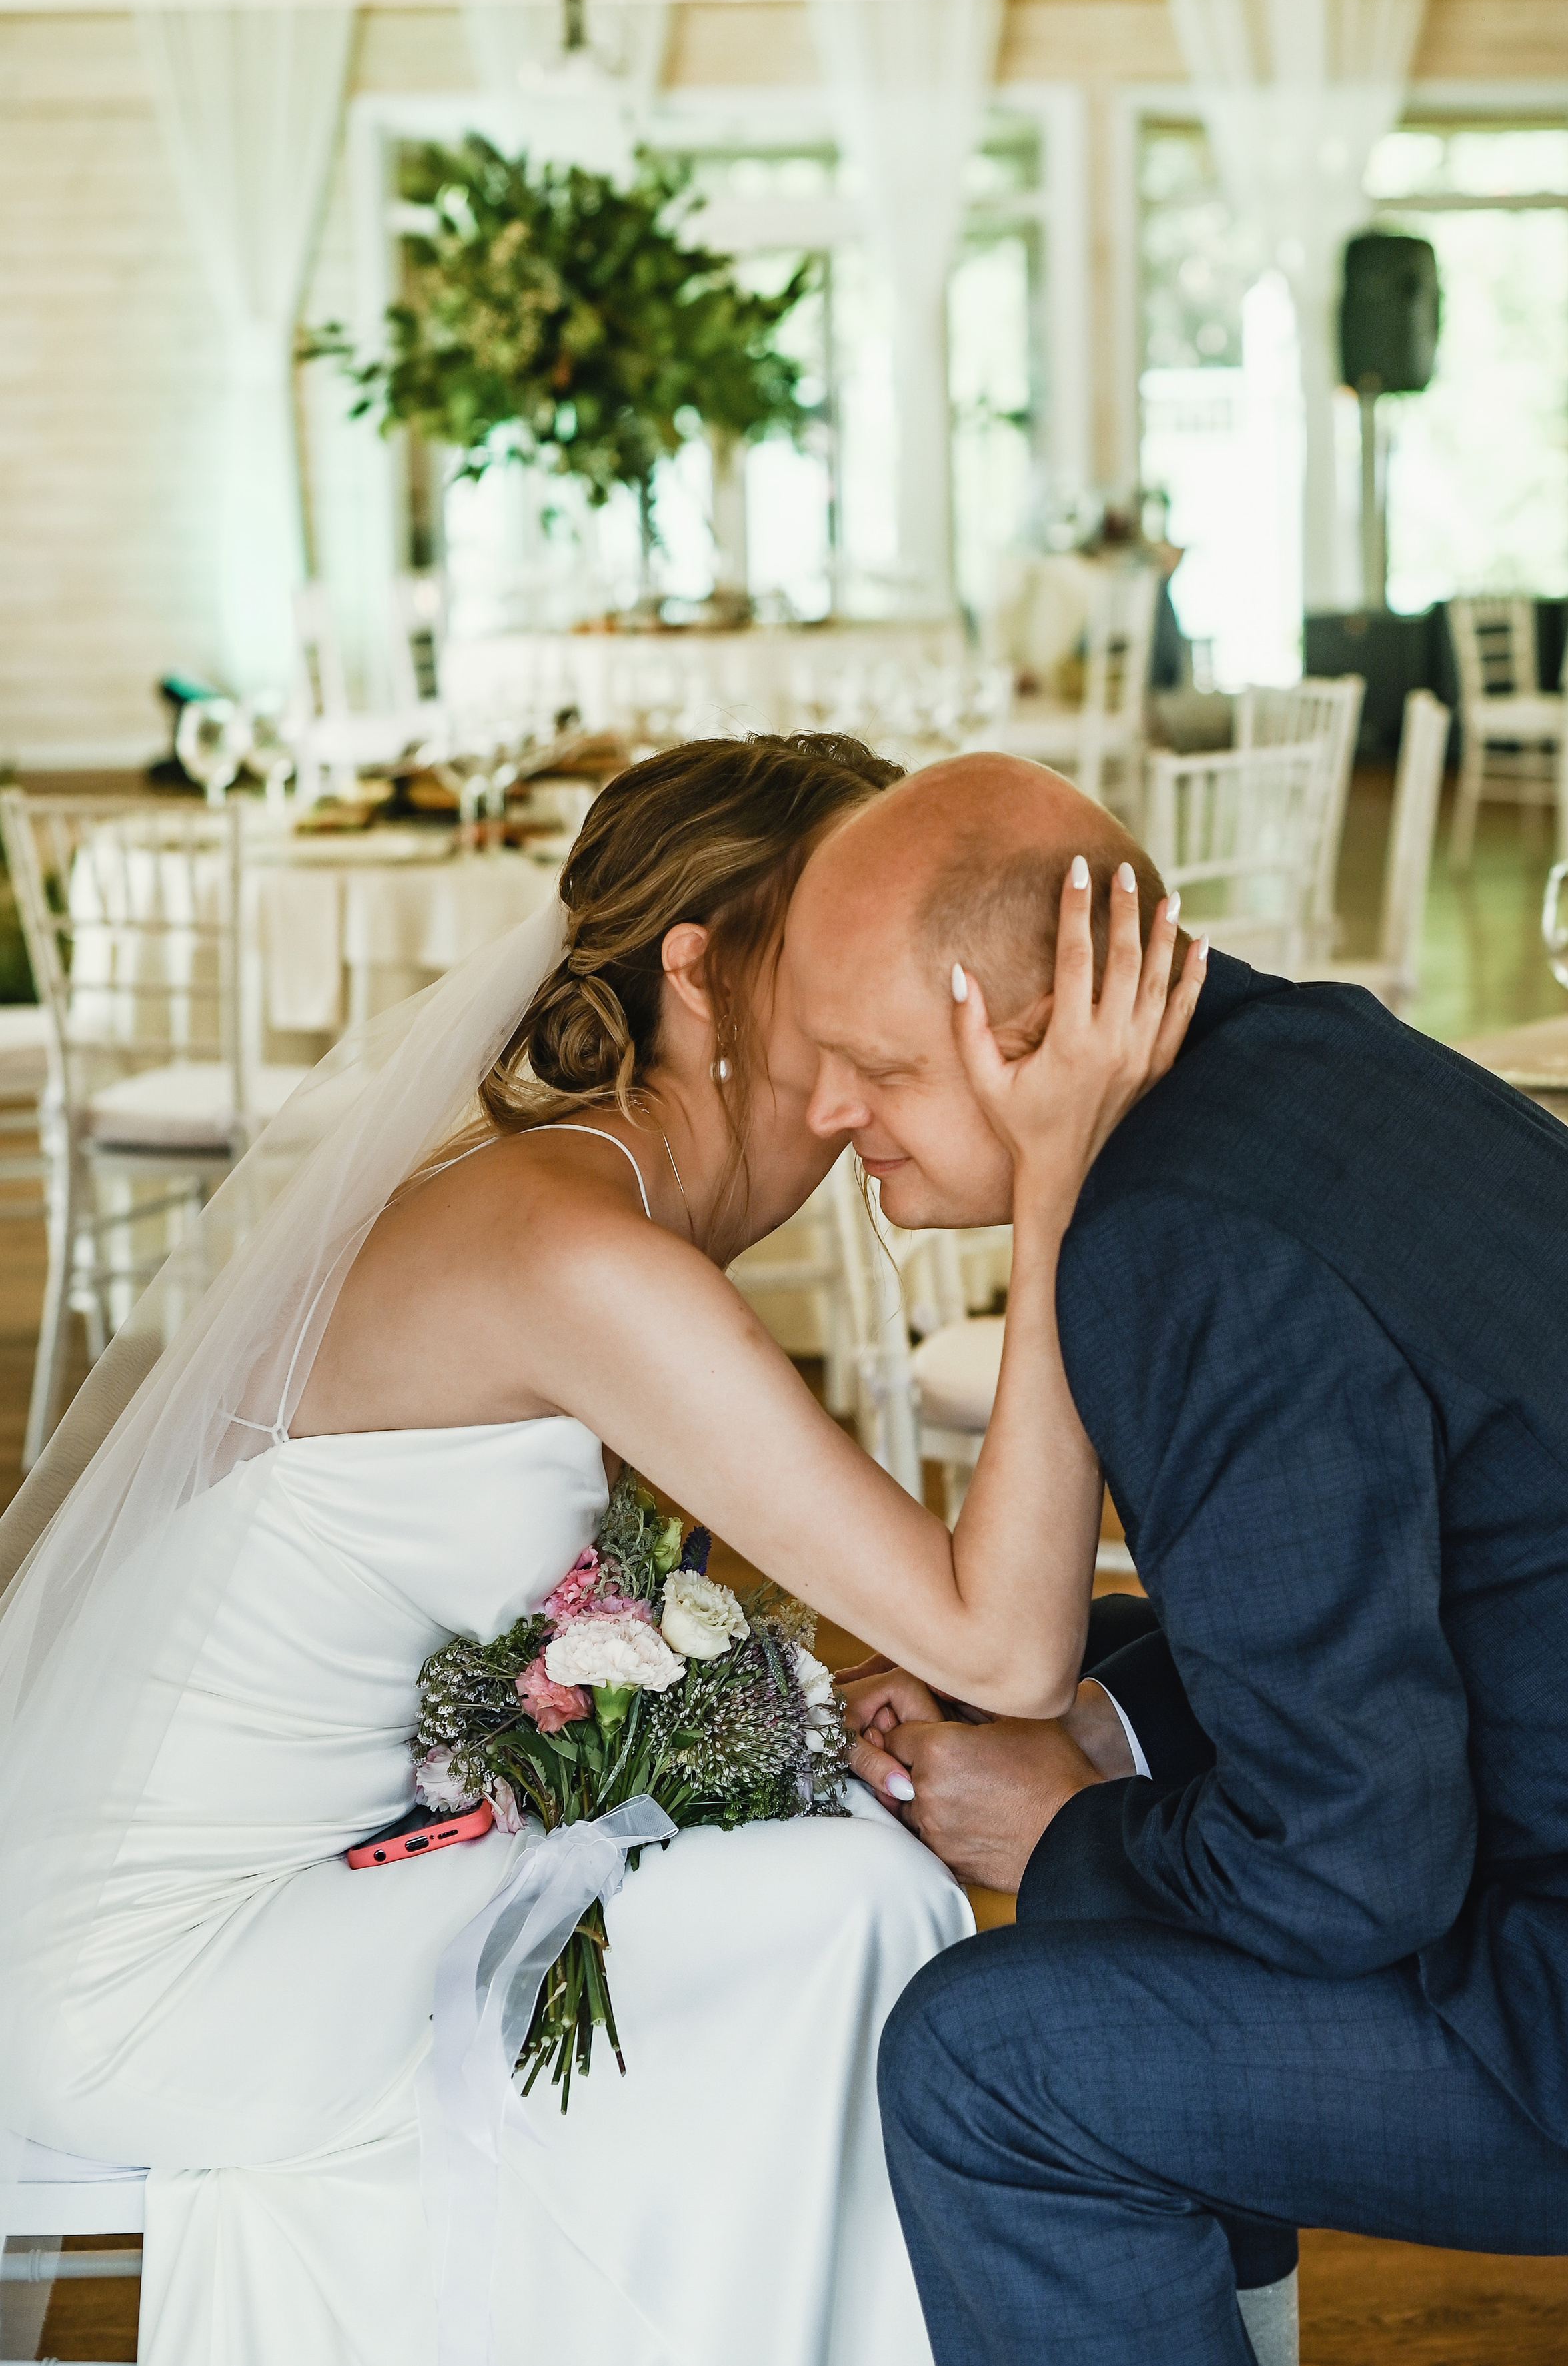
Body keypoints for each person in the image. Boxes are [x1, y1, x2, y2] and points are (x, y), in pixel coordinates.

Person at [0, 732, 1197, 2366]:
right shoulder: (583, 1256)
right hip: (173, 1977)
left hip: (281, 1891)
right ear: (696, 977)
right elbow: (1006, 1647)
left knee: (827, 1862)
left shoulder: (565, 1198)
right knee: (845, 1896)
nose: (880, 1040)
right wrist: (1061, 1183)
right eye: (834, 977)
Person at [783, 749, 1568, 2366]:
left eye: (867, 1063)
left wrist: (1070, 1824)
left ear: (1043, 1023)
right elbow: (1375, 1600)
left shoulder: (1175, 1241)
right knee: (1120, 1877)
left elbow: (1352, 1870)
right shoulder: (1310, 1066)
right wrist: (1105, 1725)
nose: (822, 1113)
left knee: (983, 2066)